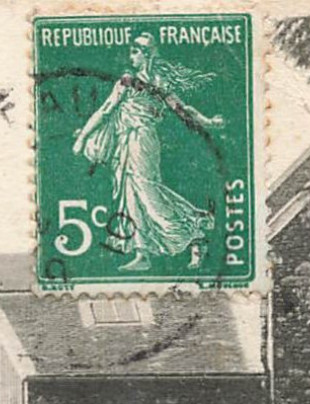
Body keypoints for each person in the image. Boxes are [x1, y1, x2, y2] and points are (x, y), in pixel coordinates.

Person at [73, 33, 221, 272]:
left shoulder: (142, 82)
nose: (131, 56)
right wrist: (82, 138)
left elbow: (108, 110)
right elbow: (107, 110)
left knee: (146, 190)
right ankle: (143, 252)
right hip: (127, 141)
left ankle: (195, 229)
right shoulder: (140, 81)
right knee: (132, 193)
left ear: (147, 54)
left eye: (135, 51)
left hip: (141, 140)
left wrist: (208, 121)